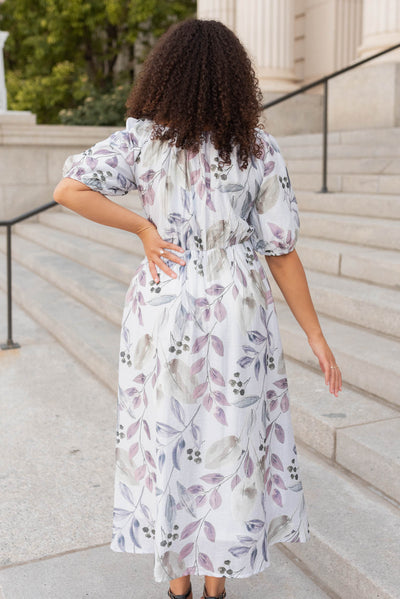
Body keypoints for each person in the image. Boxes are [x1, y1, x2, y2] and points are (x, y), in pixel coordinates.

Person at [53, 18, 342, 599]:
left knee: (167, 432)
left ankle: (177, 585)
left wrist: (142, 227)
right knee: (230, 436)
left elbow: (69, 189)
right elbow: (282, 253)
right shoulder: (259, 149)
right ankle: (217, 586)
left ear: (167, 75)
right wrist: (315, 336)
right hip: (236, 309)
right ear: (238, 81)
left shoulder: (143, 139)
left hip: (163, 303)